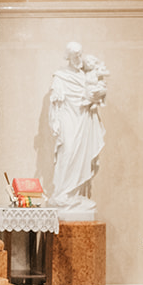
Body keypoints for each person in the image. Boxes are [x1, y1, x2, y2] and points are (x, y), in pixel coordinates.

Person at [48, 40, 108, 220]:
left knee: (81, 155)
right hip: (68, 119)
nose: (79, 59)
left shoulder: (84, 76)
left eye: (80, 55)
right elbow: (55, 103)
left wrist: (96, 97)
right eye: (75, 56)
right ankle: (62, 193)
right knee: (67, 152)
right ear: (69, 57)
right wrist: (55, 123)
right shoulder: (60, 77)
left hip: (83, 120)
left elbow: (93, 94)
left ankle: (73, 195)